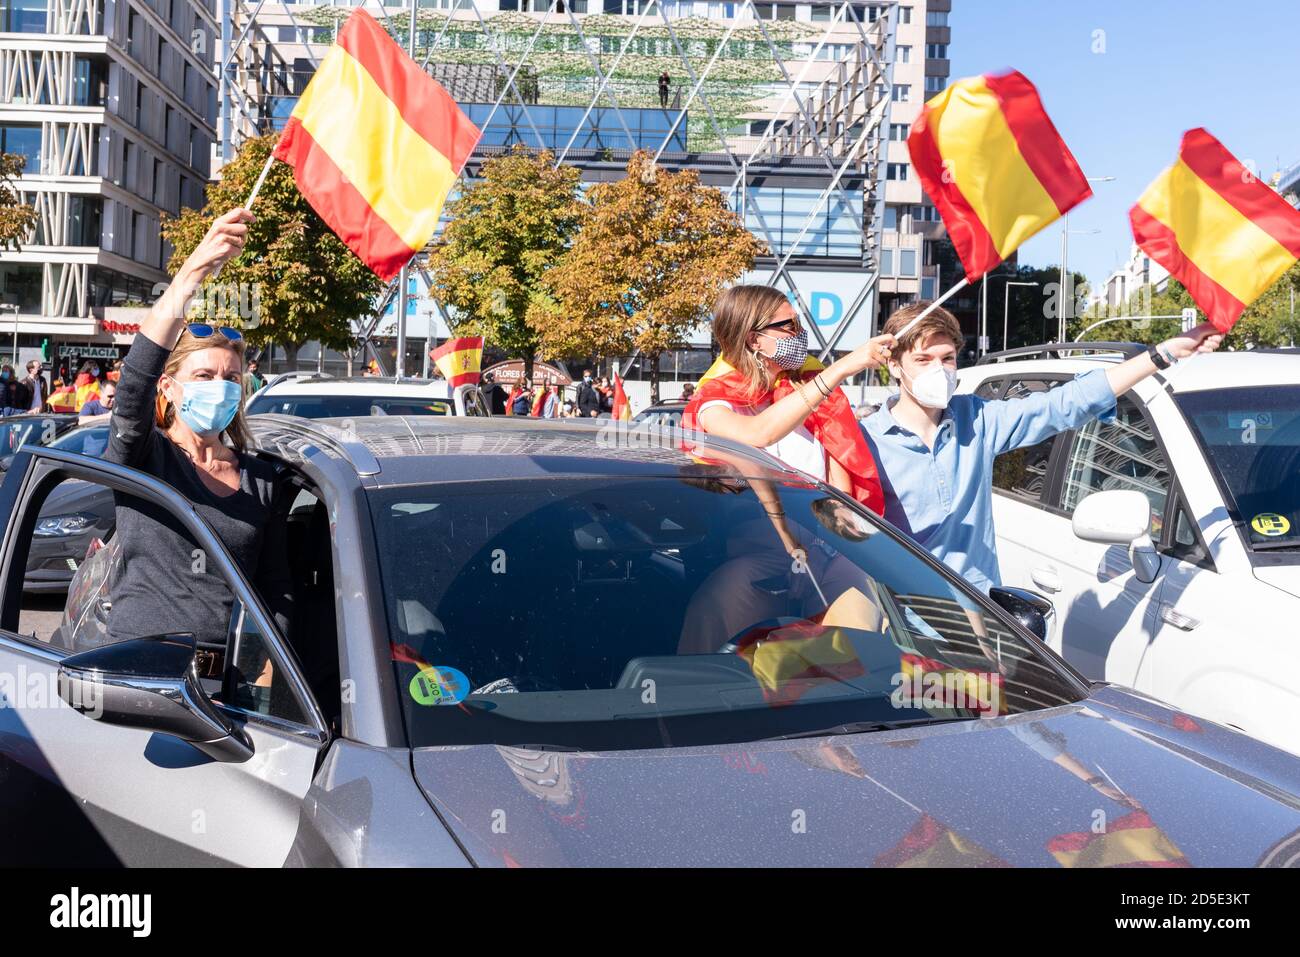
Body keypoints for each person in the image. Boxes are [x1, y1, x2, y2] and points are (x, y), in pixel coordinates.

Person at [861, 300, 1223, 594]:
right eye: (923, 360)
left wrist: (1163, 353)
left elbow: (1067, 403)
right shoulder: (867, 442)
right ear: (894, 365)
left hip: (978, 615)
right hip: (902, 619)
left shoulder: (978, 419)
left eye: (947, 359)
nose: (938, 370)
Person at [102, 206, 292, 654]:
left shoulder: (262, 479)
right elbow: (135, 380)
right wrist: (197, 267)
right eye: (204, 377)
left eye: (230, 379)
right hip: (140, 669)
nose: (220, 388)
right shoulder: (145, 458)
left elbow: (276, 589)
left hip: (227, 684)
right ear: (169, 387)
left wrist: (267, 670)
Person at [682, 284, 894, 514]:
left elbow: (839, 486)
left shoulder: (803, 383)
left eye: (799, 323)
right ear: (754, 340)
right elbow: (759, 433)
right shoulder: (714, 399)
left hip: (817, 539)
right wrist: (840, 369)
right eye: (790, 325)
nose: (801, 333)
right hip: (752, 541)